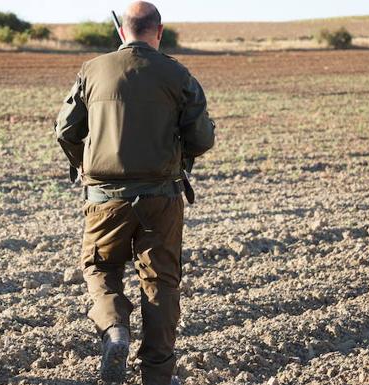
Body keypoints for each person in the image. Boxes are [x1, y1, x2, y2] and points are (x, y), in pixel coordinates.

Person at [53, 2, 215, 384]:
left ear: (122, 32)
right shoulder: (178, 73)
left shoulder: (92, 70)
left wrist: (84, 166)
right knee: (161, 282)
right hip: (162, 199)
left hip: (104, 200)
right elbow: (202, 138)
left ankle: (114, 331)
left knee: (101, 268)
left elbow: (65, 130)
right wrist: (178, 154)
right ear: (159, 32)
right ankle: (157, 377)